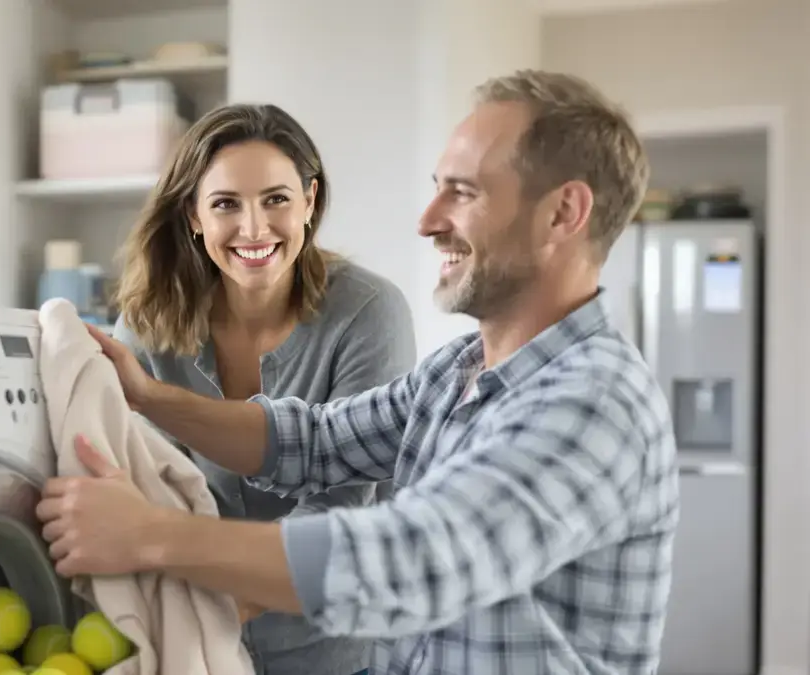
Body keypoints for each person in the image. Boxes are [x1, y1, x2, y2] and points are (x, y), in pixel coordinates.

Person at [37, 69, 679, 675]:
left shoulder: (591, 401)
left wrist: (149, 537)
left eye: (464, 192)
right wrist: (151, 398)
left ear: (564, 214)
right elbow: (314, 443)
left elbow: (409, 558)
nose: (428, 222)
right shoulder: (459, 373)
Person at [108, 102, 417, 675]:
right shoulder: (147, 324)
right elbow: (146, 482)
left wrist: (217, 596)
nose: (254, 229)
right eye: (226, 204)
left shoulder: (369, 312)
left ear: (310, 202)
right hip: (186, 643)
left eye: (276, 199)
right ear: (194, 216)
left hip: (331, 649)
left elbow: (341, 503)